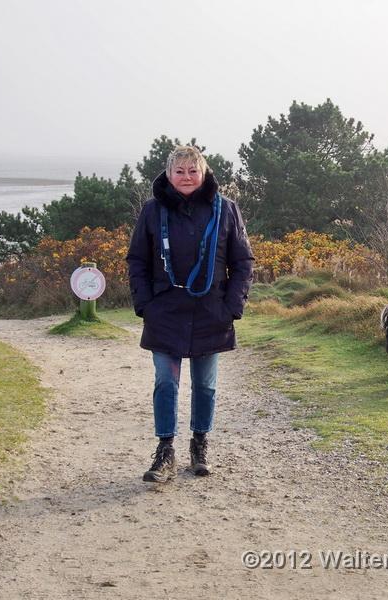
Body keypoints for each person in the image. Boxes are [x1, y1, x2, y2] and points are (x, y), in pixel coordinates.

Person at [127, 145, 253, 482]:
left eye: (192, 171)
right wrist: (145, 304)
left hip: (212, 311)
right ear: (169, 174)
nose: (186, 177)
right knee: (165, 382)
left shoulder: (225, 210)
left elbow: (243, 262)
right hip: (164, 312)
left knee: (205, 385)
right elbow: (137, 260)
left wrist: (232, 306)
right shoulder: (153, 211)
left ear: (203, 173)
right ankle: (165, 450)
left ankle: (200, 445)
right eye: (179, 171)